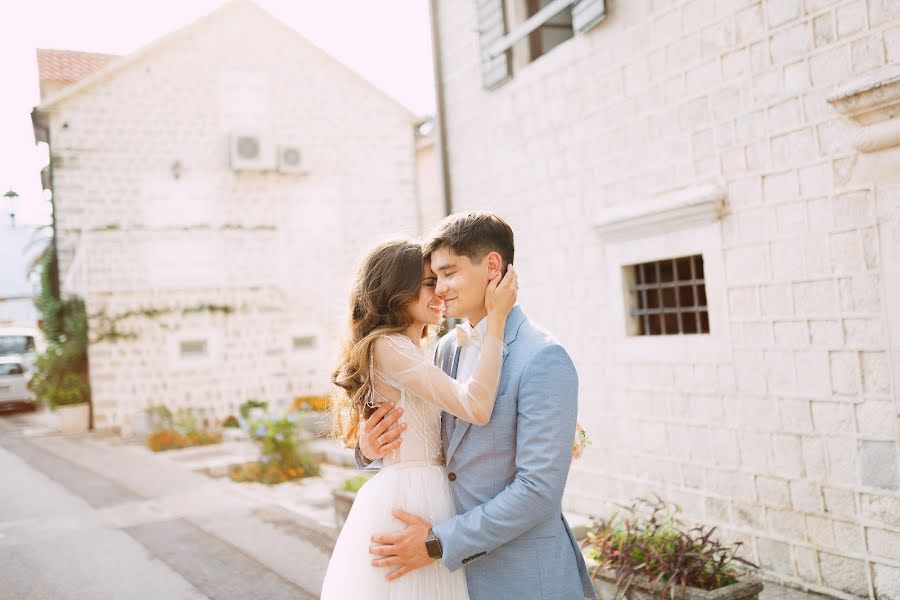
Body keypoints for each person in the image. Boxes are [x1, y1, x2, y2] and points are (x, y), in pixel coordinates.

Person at [360, 212, 597, 599]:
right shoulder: (446, 349)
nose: (438, 290)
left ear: (492, 266)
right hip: (452, 582)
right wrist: (369, 448)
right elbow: (427, 439)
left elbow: (538, 490)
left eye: (449, 274)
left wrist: (437, 542)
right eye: (433, 279)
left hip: (523, 576)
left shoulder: (543, 357)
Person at [320, 237, 517, 599]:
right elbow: (475, 406)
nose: (440, 292)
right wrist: (498, 322)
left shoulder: (416, 349)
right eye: (429, 283)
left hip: (426, 489)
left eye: (442, 280)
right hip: (414, 496)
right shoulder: (389, 345)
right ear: (397, 290)